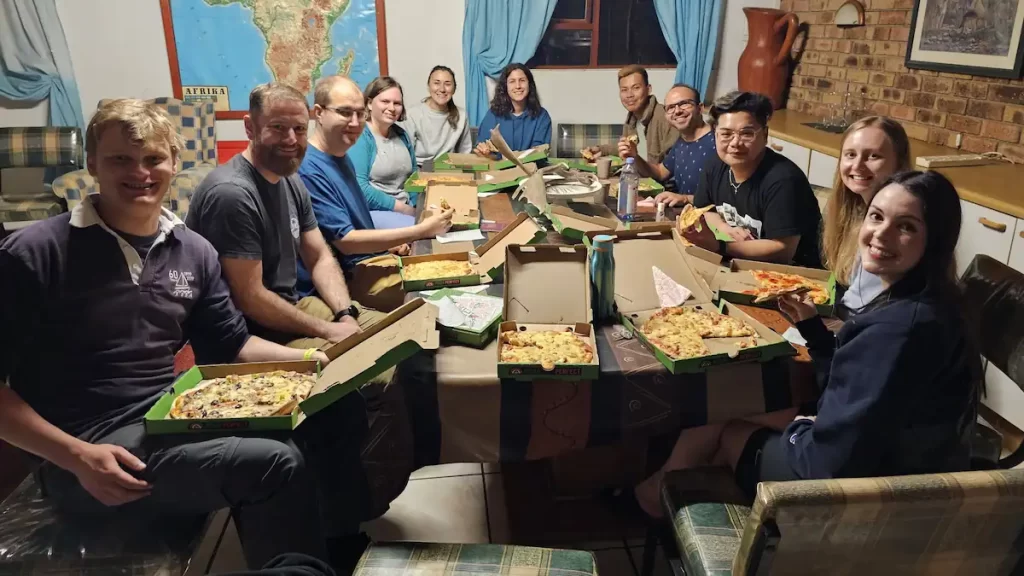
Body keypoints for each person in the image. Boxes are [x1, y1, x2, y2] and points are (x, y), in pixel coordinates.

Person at [0, 99, 370, 571]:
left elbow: (232, 344)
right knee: (274, 462)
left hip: (170, 416)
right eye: (120, 159)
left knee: (335, 407)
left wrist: (309, 361)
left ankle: (335, 551)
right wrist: (74, 456)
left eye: (153, 158)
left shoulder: (193, 251)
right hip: (89, 451)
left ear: (175, 162)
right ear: (92, 163)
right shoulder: (34, 253)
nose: (140, 172)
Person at [627, 170, 982, 516]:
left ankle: (666, 502)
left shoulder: (898, 329)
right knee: (732, 405)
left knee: (727, 426)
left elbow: (829, 462)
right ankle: (670, 492)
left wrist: (803, 425)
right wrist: (814, 332)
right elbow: (857, 383)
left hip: (862, 495)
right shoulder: (928, 301)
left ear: (935, 241)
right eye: (876, 216)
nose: (881, 234)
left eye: (906, 227)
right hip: (896, 459)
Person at [187, 83, 378, 352]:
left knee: (403, 336)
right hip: (250, 336)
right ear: (250, 127)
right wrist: (329, 330)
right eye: (278, 127)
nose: (291, 139)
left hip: (293, 306)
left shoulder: (289, 178)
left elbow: (318, 256)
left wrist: (345, 314)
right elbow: (250, 298)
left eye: (299, 129)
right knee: (376, 360)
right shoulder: (232, 194)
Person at [298, 75, 454, 292]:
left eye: (359, 113)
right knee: (445, 281)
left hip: (373, 257)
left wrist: (387, 246)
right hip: (349, 277)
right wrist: (419, 230)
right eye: (345, 113)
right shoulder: (309, 168)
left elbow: (357, 222)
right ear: (318, 113)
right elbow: (346, 242)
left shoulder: (341, 156)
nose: (355, 123)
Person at [682, 91, 823, 268]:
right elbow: (705, 209)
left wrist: (721, 246)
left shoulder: (784, 180)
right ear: (715, 135)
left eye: (746, 134)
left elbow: (783, 251)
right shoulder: (715, 166)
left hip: (794, 272)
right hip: (741, 262)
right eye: (726, 134)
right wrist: (726, 229)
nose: (735, 143)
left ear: (765, 135)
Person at [822, 116, 911, 312]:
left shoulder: (892, 230)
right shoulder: (850, 209)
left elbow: (869, 309)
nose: (857, 166)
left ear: (899, 163)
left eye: (873, 156)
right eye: (850, 154)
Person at [619, 83, 715, 206]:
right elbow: (660, 172)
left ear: (699, 108)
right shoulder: (682, 141)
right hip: (684, 214)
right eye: (671, 107)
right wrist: (634, 156)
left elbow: (727, 199)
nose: (677, 111)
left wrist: (686, 199)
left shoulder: (719, 142)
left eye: (684, 104)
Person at [347, 76, 418, 229]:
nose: (392, 108)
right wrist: (406, 210)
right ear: (369, 103)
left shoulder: (402, 135)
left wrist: (419, 207)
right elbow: (360, 189)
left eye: (397, 103)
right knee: (426, 230)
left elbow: (414, 177)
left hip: (406, 209)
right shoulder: (361, 137)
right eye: (385, 101)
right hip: (373, 212)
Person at [584, 65, 680, 166]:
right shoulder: (631, 120)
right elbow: (631, 149)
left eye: (636, 88)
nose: (629, 95)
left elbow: (671, 165)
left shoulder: (666, 117)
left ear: (648, 89)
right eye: (624, 90)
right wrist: (601, 150)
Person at [474, 63, 551, 156]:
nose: (518, 86)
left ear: (529, 84)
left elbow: (539, 152)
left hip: (530, 165)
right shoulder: (493, 114)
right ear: (505, 86)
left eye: (522, 80)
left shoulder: (542, 116)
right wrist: (484, 150)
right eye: (512, 81)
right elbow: (483, 144)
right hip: (497, 165)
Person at [405, 65, 473, 167]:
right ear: (429, 86)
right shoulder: (412, 114)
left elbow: (465, 153)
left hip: (450, 169)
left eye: (447, 84)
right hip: (420, 169)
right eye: (436, 83)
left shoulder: (461, 116)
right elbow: (406, 156)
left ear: (454, 89)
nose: (442, 89)